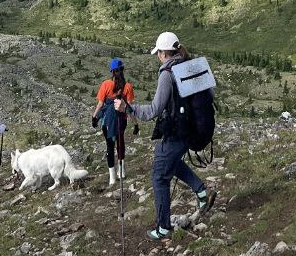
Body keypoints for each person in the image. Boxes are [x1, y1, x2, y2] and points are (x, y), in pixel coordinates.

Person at [114, 30, 216, 242]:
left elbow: (154, 110)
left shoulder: (167, 74)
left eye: (158, 53)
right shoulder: (190, 66)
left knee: (160, 176)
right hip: (191, 130)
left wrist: (127, 108)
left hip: (176, 132)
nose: (158, 57)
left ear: (163, 53)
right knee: (172, 162)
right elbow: (209, 95)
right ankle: (201, 191)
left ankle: (163, 228)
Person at [91, 58, 139, 188]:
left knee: (109, 146)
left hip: (107, 121)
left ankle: (112, 177)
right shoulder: (128, 87)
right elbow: (130, 108)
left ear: (112, 71)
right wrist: (135, 124)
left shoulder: (106, 84)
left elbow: (100, 104)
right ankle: (121, 171)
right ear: (122, 70)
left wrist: (95, 117)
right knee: (120, 142)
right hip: (121, 120)